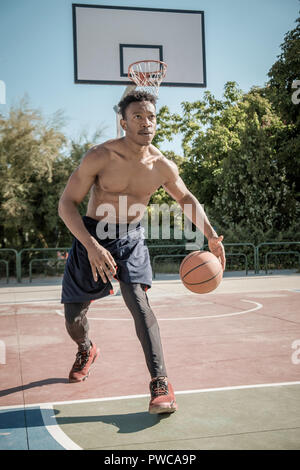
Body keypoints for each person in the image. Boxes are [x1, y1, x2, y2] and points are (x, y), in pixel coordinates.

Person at [58, 90, 226, 415]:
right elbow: (66, 204)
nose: (145, 122)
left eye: (150, 117)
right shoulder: (100, 156)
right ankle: (86, 349)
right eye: (137, 117)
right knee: (73, 317)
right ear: (123, 122)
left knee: (139, 303)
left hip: (130, 238)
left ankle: (160, 383)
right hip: (93, 234)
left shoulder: (161, 165)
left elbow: (186, 198)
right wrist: (90, 246)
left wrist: (211, 236)